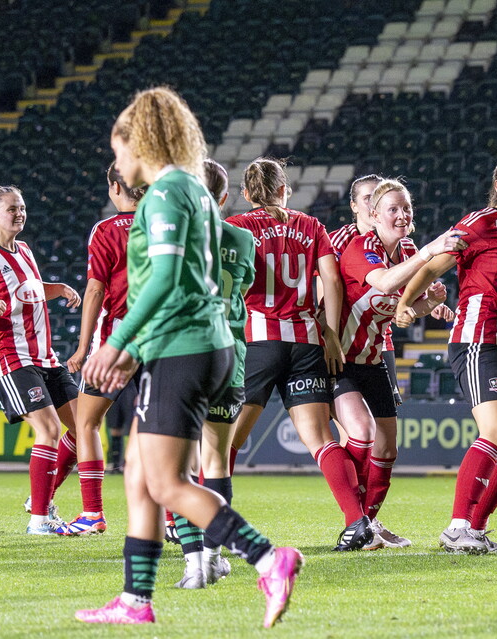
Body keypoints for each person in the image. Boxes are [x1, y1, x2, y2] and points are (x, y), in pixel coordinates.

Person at [75, 87, 302, 628]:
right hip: (192, 343)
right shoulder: (192, 190)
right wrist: (139, 350)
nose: (119, 164)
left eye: (120, 150)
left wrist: (119, 341)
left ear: (141, 142)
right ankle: (135, 599)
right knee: (137, 474)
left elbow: (169, 280)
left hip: (185, 347)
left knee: (166, 483)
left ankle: (269, 559)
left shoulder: (166, 193)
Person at [396, 153, 497, 554]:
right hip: (478, 340)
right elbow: (433, 266)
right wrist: (404, 302)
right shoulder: (481, 222)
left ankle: (476, 529)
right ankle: (456, 526)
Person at [226, 157, 372, 551]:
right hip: (308, 343)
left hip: (258, 342)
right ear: (284, 188)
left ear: (245, 194)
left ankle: (212, 523)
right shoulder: (310, 226)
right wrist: (332, 331)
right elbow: (332, 281)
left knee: (227, 440)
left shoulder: (237, 227)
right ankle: (357, 522)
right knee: (322, 441)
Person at [335, 178, 462, 548]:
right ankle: (354, 522)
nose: (403, 215)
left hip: (373, 357)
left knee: (388, 448)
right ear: (372, 215)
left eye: (407, 208)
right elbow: (387, 284)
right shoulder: (359, 248)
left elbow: (398, 311)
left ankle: (368, 526)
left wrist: (426, 303)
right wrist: (430, 253)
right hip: (339, 359)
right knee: (361, 432)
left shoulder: (406, 248)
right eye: (394, 209)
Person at [0, 186, 81, 534]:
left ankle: (40, 500)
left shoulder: (23, 249)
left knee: (85, 429)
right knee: (49, 430)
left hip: (46, 357)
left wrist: (58, 288)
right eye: (12, 208)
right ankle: (40, 520)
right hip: (10, 356)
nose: (19, 213)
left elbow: (30, 290)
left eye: (22, 207)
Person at [171, 158, 259, 588]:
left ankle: (193, 566)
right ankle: (214, 554)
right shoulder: (243, 240)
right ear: (225, 197)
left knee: (180, 470)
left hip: (182, 358)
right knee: (216, 462)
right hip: (230, 360)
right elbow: (241, 290)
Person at [57, 162, 145, 535]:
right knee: (160, 426)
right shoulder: (163, 225)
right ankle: (175, 520)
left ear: (113, 188)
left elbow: (94, 290)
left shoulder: (106, 229)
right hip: (162, 339)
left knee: (87, 422)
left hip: (117, 339)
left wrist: (81, 348)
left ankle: (92, 513)